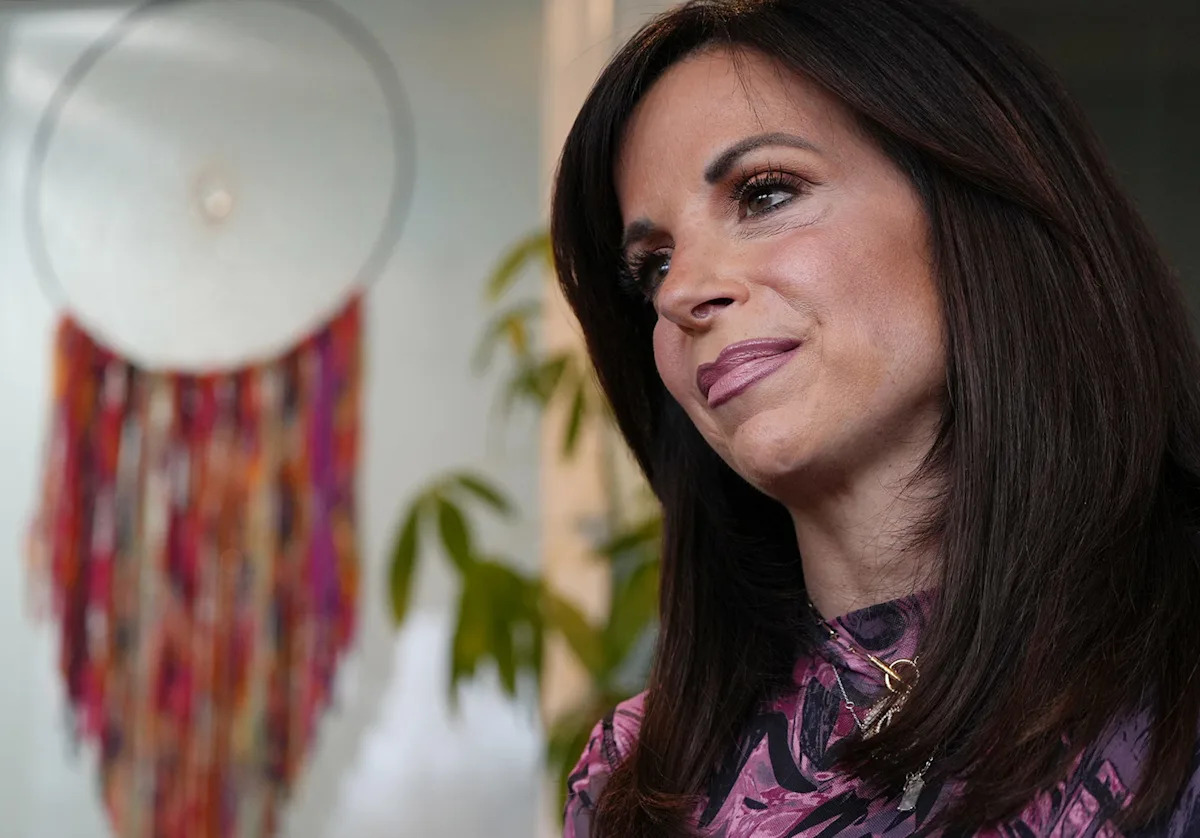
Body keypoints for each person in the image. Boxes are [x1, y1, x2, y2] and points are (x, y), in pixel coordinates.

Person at [548, 0, 1200, 835]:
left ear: (973, 207)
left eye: (765, 194)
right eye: (653, 265)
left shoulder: (1175, 675)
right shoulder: (637, 779)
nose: (680, 293)